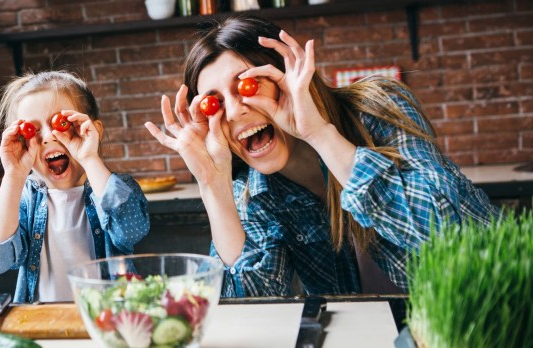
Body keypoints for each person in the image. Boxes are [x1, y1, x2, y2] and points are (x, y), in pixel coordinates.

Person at [145, 15, 500, 297]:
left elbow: (449, 234)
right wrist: (212, 183)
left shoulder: (378, 108)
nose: (235, 111)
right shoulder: (253, 194)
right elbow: (249, 303)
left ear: (285, 77)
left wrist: (317, 133)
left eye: (246, 85)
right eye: (214, 103)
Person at [0, 71, 150, 303]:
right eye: (32, 129)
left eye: (62, 123)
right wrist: (14, 175)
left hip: (108, 317)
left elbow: (131, 231)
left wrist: (89, 157)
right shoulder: (26, 196)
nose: (47, 137)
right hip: (44, 320)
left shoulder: (115, 187)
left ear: (93, 130)